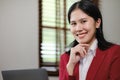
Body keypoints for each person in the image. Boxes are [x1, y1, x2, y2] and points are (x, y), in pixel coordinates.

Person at [59, 0, 120, 80]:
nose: (78, 29)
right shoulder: (65, 58)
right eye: (73, 23)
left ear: (97, 23)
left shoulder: (115, 52)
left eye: (83, 21)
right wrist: (71, 65)